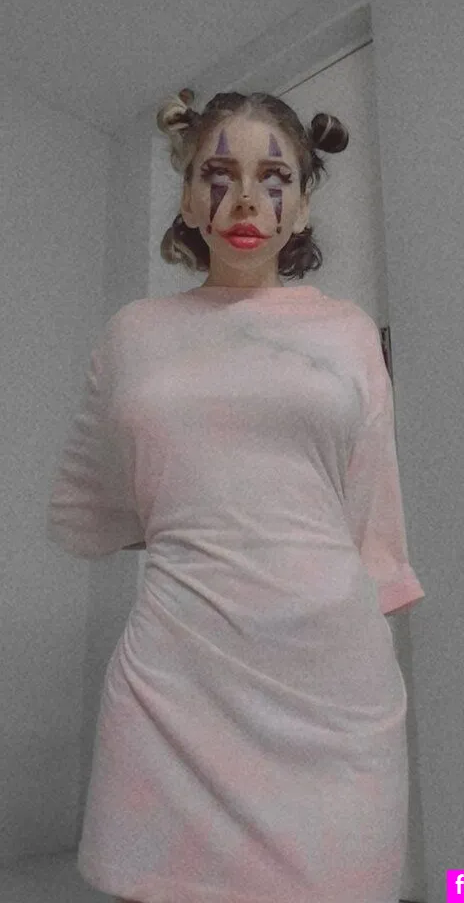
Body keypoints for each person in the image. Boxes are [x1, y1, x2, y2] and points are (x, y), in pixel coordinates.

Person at [46, 88, 425, 903]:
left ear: (305, 204)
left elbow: (371, 508)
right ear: (187, 196)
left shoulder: (348, 332)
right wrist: (206, 530)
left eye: (274, 177)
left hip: (332, 681)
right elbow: (97, 505)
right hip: (175, 678)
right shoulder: (134, 332)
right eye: (219, 174)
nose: (247, 198)